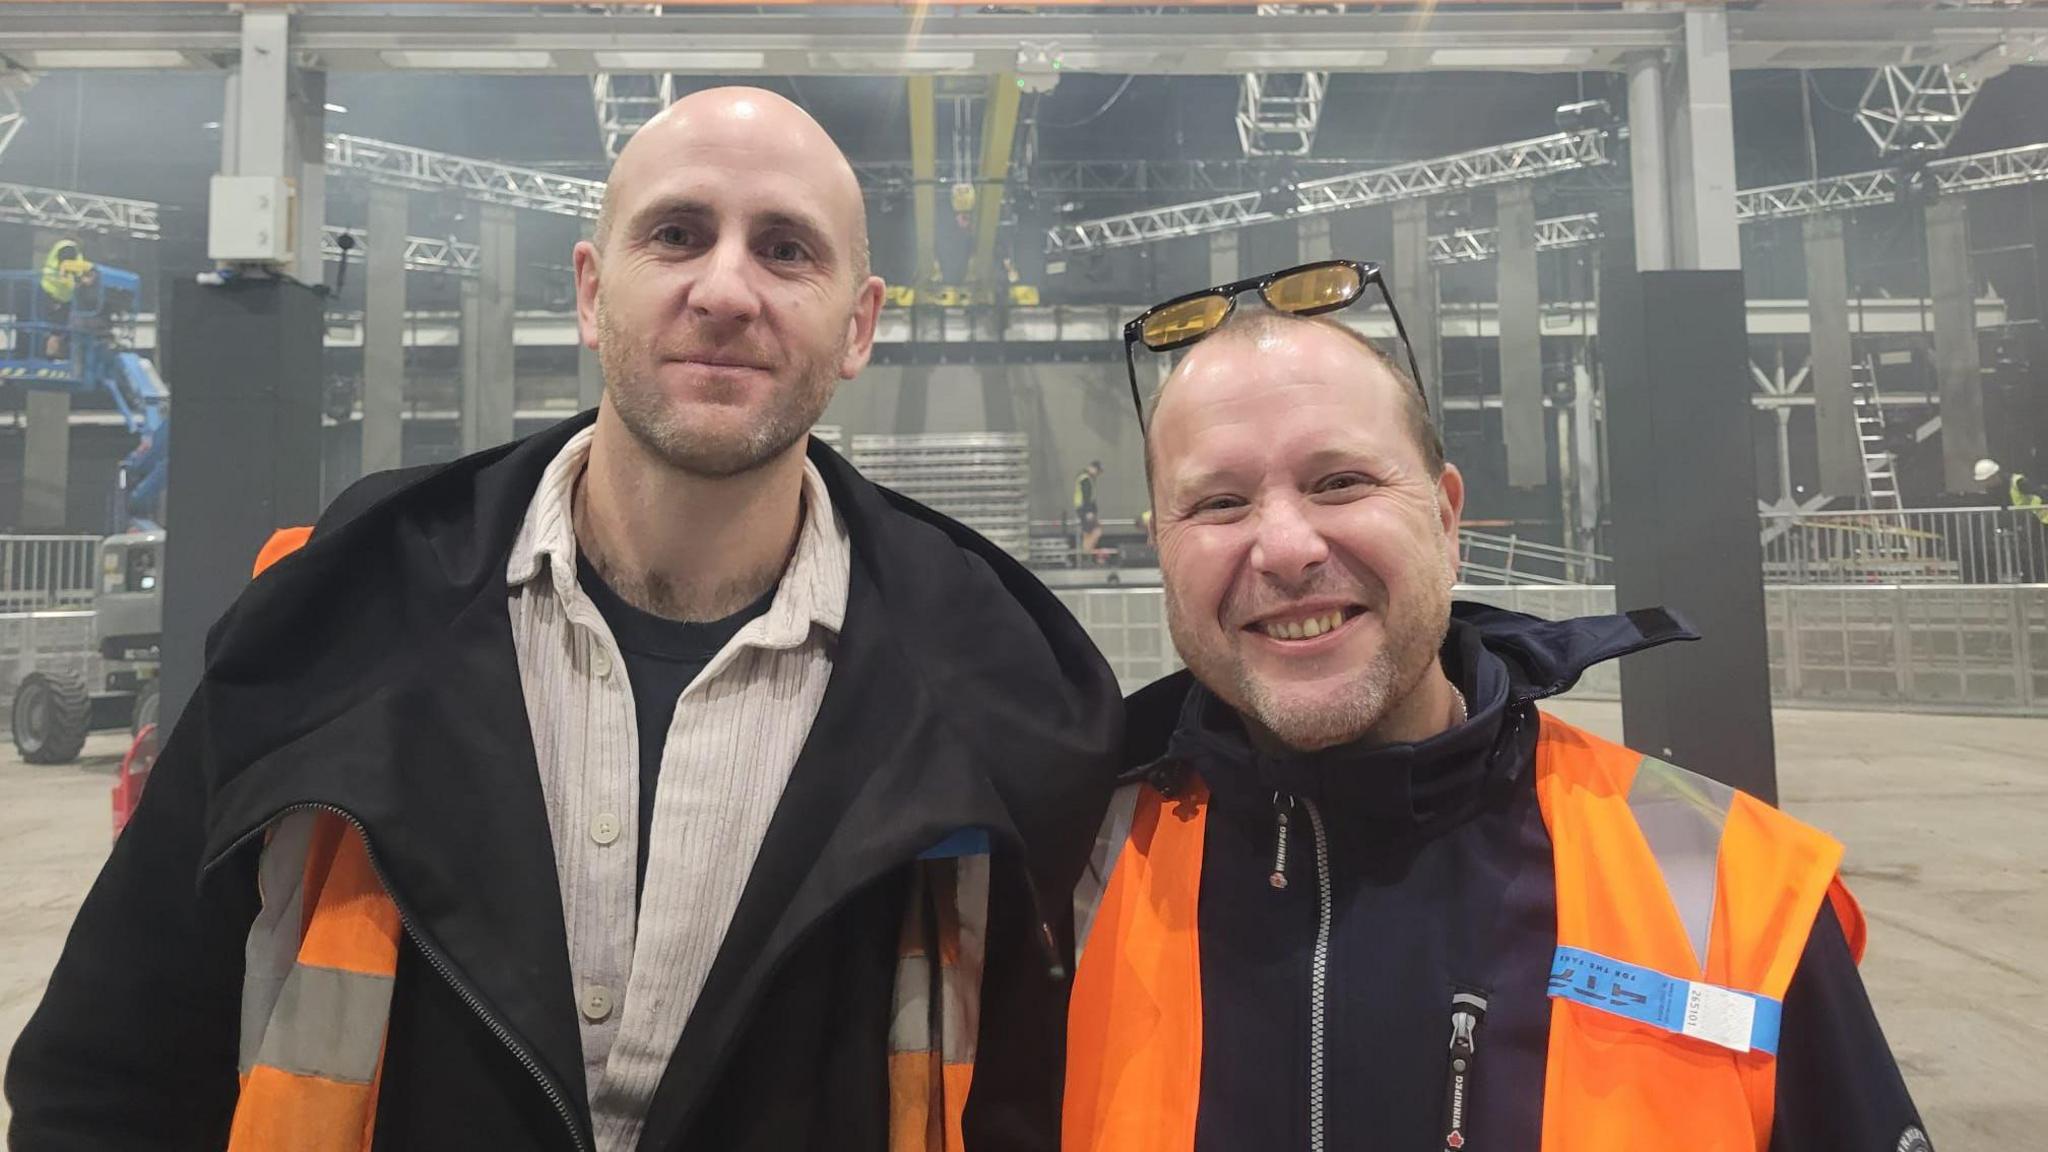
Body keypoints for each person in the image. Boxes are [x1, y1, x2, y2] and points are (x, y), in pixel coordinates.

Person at [7, 88, 1122, 1152]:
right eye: (677, 234)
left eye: (786, 249)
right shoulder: (334, 615)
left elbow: (1036, 1109)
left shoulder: (997, 689)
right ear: (592, 292)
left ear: (858, 325)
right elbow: (111, 1083)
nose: (725, 290)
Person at [1064, 276, 1928, 1151]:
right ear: (1164, 547)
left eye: (1340, 481)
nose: (1286, 548)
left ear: (1445, 519)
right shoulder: (1061, 876)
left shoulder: (1728, 877)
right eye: (1219, 503)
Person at [38, 238, 95, 359]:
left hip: (60, 294)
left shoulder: (68, 248)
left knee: (59, 328)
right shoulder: (69, 248)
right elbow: (66, 266)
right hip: (54, 292)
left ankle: (52, 355)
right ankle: (51, 356)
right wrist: (82, 280)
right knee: (56, 329)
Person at [1074, 459, 1105, 562]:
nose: (1098, 474)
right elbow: (1086, 496)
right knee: (1090, 532)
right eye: (1098, 471)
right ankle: (1086, 556)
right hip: (1085, 510)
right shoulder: (1086, 479)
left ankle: (1087, 556)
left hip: (1085, 509)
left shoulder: (1086, 477)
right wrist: (1088, 512)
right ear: (1092, 468)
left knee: (1092, 532)